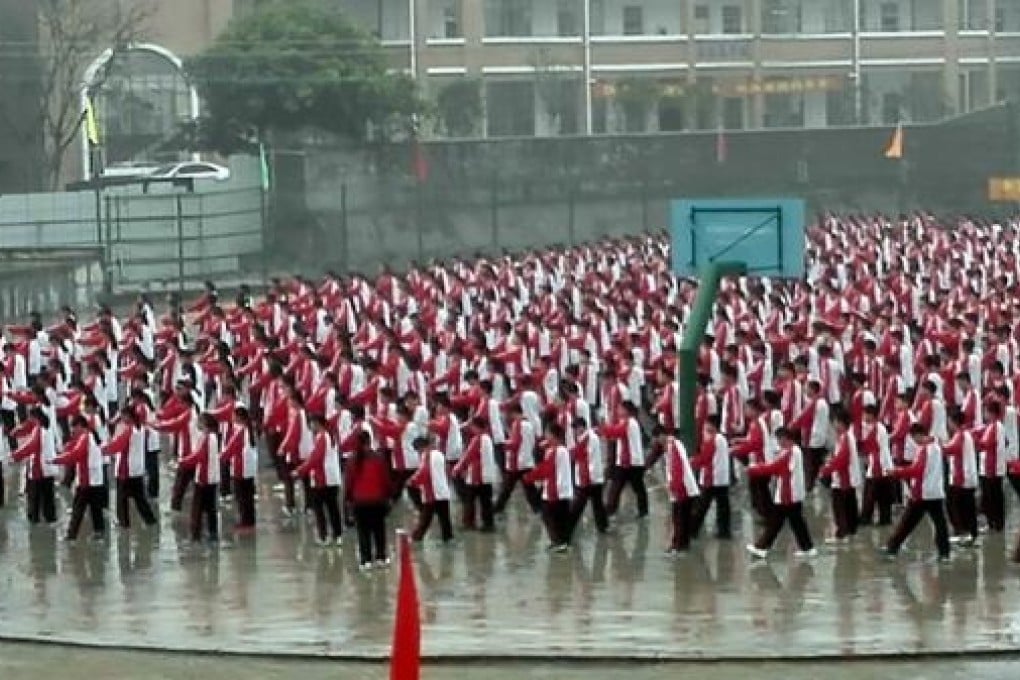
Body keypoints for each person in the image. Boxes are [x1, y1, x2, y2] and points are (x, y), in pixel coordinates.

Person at [880, 423, 951, 561]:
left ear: (918, 435)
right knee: (939, 524)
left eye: (913, 438)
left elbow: (916, 470)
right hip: (935, 492)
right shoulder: (936, 447)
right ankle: (944, 553)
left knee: (907, 523)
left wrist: (896, 472)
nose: (914, 441)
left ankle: (892, 547)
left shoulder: (924, 450)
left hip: (923, 493)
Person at [745, 427, 817, 559]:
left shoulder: (789, 452)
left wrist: (753, 469)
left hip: (787, 493)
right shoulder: (794, 451)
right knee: (796, 522)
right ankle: (807, 547)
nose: (778, 442)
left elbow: (773, 468)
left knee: (776, 522)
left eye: (779, 439)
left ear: (784, 439)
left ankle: (761, 547)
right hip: (793, 493)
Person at [101, 408, 158, 530]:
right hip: (137, 469)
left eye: (123, 416)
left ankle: (123, 524)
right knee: (140, 499)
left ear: (129, 416)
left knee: (121, 499)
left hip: (125, 469)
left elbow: (117, 446)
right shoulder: (141, 428)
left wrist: (101, 450)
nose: (122, 419)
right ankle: (150, 521)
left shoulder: (128, 430)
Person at [52, 415, 107, 541]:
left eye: (74, 428)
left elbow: (76, 454)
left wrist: (57, 460)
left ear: (80, 426)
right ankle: (99, 533)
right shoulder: (90, 436)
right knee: (95, 510)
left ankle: (71, 536)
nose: (73, 431)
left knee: (78, 510)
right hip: (96, 480)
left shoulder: (85, 437)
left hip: (86, 480)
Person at [294, 414, 343, 546]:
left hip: (322, 478)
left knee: (319, 508)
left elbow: (315, 458)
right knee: (333, 508)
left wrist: (299, 470)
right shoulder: (330, 436)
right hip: (332, 478)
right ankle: (337, 535)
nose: (310, 426)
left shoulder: (321, 437)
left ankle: (323, 536)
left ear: (317, 423)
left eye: (311, 423)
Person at [524, 423, 575, 552]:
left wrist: (530, 476)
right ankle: (562, 542)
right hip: (560, 489)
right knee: (559, 517)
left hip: (556, 490)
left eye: (548, 434)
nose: (546, 436)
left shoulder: (556, 451)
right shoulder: (558, 449)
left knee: (550, 516)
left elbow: (546, 469)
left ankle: (559, 542)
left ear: (553, 435)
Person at [346, 430, 391, 570]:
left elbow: (349, 482)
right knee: (379, 530)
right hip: (377, 501)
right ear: (370, 441)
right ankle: (381, 557)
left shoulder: (352, 460)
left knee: (363, 532)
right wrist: (388, 496)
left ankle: (366, 560)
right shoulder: (379, 458)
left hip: (359, 502)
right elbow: (385, 481)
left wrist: (348, 499)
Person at [653, 425, 700, 555]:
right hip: (684, 488)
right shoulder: (673, 445)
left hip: (681, 489)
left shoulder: (672, 447)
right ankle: (683, 545)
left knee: (679, 518)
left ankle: (677, 547)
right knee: (683, 518)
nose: (658, 442)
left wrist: (673, 486)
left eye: (657, 439)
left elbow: (677, 469)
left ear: (662, 435)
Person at [600, 400, 649, 519]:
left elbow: (616, 432)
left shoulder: (629, 422)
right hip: (625, 462)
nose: (618, 411)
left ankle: (642, 511)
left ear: (626, 410)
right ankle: (611, 510)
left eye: (620, 409)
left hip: (632, 463)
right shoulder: (627, 422)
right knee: (619, 488)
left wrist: (603, 428)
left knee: (637, 488)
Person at [819, 408, 861, 543]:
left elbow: (841, 459)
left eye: (835, 422)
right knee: (850, 505)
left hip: (844, 478)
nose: (834, 425)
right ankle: (851, 530)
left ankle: (841, 533)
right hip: (848, 477)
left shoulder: (845, 438)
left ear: (841, 423)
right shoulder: (846, 436)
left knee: (839, 506)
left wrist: (826, 470)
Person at [10, 407, 58, 525]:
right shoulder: (46, 426)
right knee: (48, 499)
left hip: (39, 469)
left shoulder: (38, 429)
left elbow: (31, 446)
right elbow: (19, 432)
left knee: (34, 500)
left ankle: (34, 522)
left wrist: (15, 455)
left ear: (34, 417)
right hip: (49, 468)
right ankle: (50, 521)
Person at [178, 413, 221, 543]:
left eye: (200, 422)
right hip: (212, 478)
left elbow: (199, 456)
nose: (197, 424)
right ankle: (213, 534)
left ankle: (195, 536)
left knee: (197, 509)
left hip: (204, 478)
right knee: (210, 508)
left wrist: (183, 461)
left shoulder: (206, 438)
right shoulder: (213, 437)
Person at [452, 416, 499, 532]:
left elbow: (468, 456)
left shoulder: (477, 440)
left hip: (476, 476)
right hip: (487, 476)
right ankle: (488, 524)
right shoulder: (487, 438)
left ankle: (469, 523)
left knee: (469, 501)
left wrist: (456, 469)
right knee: (486, 502)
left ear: (476, 427)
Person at [690, 416, 732, 539]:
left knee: (702, 507)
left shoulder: (713, 440)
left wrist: (691, 462)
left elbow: (705, 458)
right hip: (722, 479)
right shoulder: (722, 439)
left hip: (712, 478)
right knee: (723, 506)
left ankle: (692, 530)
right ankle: (724, 531)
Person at [408, 436, 454, 544]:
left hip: (432, 494)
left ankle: (414, 542)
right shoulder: (440, 454)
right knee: (445, 522)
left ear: (421, 447)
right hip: (443, 492)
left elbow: (424, 472)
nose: (418, 453)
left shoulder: (427, 455)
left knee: (424, 522)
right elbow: (447, 471)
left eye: (418, 450)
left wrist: (412, 481)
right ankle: (448, 540)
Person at [220, 406, 258, 531]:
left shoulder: (240, 431)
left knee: (242, 496)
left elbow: (231, 448)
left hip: (240, 467)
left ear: (239, 417)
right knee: (248, 495)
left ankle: (245, 521)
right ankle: (250, 520)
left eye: (234, 415)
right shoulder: (247, 429)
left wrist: (220, 457)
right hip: (249, 468)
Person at [568, 417, 608, 535]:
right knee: (597, 505)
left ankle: (566, 531)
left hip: (588, 479)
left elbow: (582, 456)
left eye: (576, 429)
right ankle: (603, 527)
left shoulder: (588, 438)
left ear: (582, 427)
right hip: (593, 478)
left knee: (577, 508)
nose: (575, 431)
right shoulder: (587, 437)